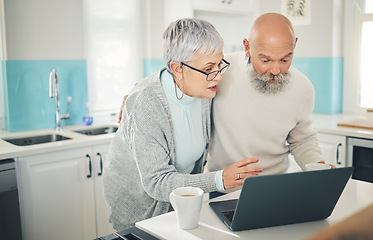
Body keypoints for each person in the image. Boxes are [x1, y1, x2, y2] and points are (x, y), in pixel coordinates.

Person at [103, 18, 262, 231]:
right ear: (177, 69)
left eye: (219, 65)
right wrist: (220, 180)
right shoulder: (146, 103)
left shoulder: (203, 89)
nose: (218, 76)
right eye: (209, 68)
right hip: (138, 209)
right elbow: (157, 182)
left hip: (178, 204)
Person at [206, 12, 331, 181]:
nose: (275, 70)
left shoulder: (303, 87)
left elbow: (302, 139)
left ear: (294, 45)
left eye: (285, 60)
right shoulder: (220, 72)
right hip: (222, 189)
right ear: (247, 47)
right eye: (266, 60)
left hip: (273, 188)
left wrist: (318, 165)